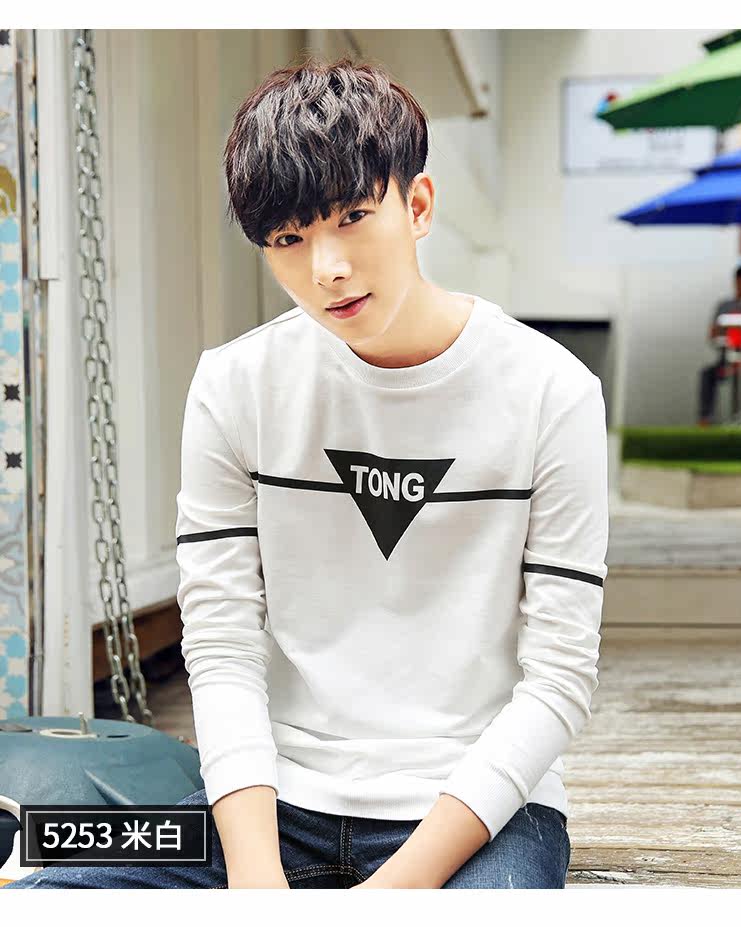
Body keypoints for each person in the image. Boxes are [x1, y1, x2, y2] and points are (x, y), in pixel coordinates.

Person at [8, 56, 608, 889]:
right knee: (51, 893)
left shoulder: (552, 392)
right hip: (271, 801)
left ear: (419, 206)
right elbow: (220, 643)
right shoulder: (235, 385)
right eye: (288, 239)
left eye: (353, 217)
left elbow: (559, 679)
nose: (326, 267)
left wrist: (386, 894)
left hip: (480, 814)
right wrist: (257, 877)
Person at [698, 263, 741, 426]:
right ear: (736, 281)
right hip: (727, 359)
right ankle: (706, 418)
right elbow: (713, 334)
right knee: (707, 374)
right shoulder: (725, 306)